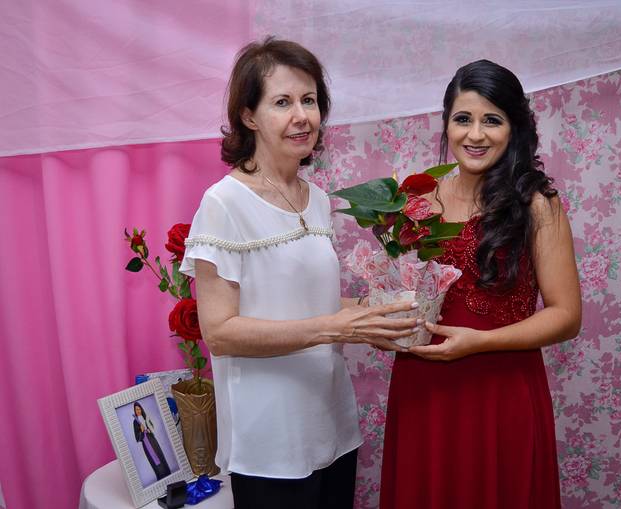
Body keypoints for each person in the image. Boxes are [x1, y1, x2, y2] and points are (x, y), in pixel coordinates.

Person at [179, 37, 419, 509]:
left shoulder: (318, 198)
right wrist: (336, 327)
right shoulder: (224, 203)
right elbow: (220, 333)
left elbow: (307, 303)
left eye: (309, 100)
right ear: (248, 116)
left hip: (331, 424)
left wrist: (377, 314)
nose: (302, 116)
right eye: (282, 102)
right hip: (270, 440)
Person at [379, 60, 582, 509]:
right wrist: (384, 325)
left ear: (514, 128)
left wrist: (480, 343)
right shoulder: (415, 200)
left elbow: (567, 316)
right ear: (446, 124)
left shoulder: (537, 205)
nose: (475, 134)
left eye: (492, 120)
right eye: (462, 119)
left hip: (500, 389)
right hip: (422, 388)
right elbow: (403, 291)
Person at [132, 402, 171, 481]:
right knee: (153, 460)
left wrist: (149, 430)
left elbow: (152, 427)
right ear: (134, 411)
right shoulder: (135, 422)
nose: (138, 411)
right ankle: (161, 477)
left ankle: (168, 473)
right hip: (146, 444)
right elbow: (137, 438)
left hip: (153, 441)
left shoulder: (146, 417)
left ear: (141, 409)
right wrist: (142, 431)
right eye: (136, 409)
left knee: (160, 455)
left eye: (139, 409)